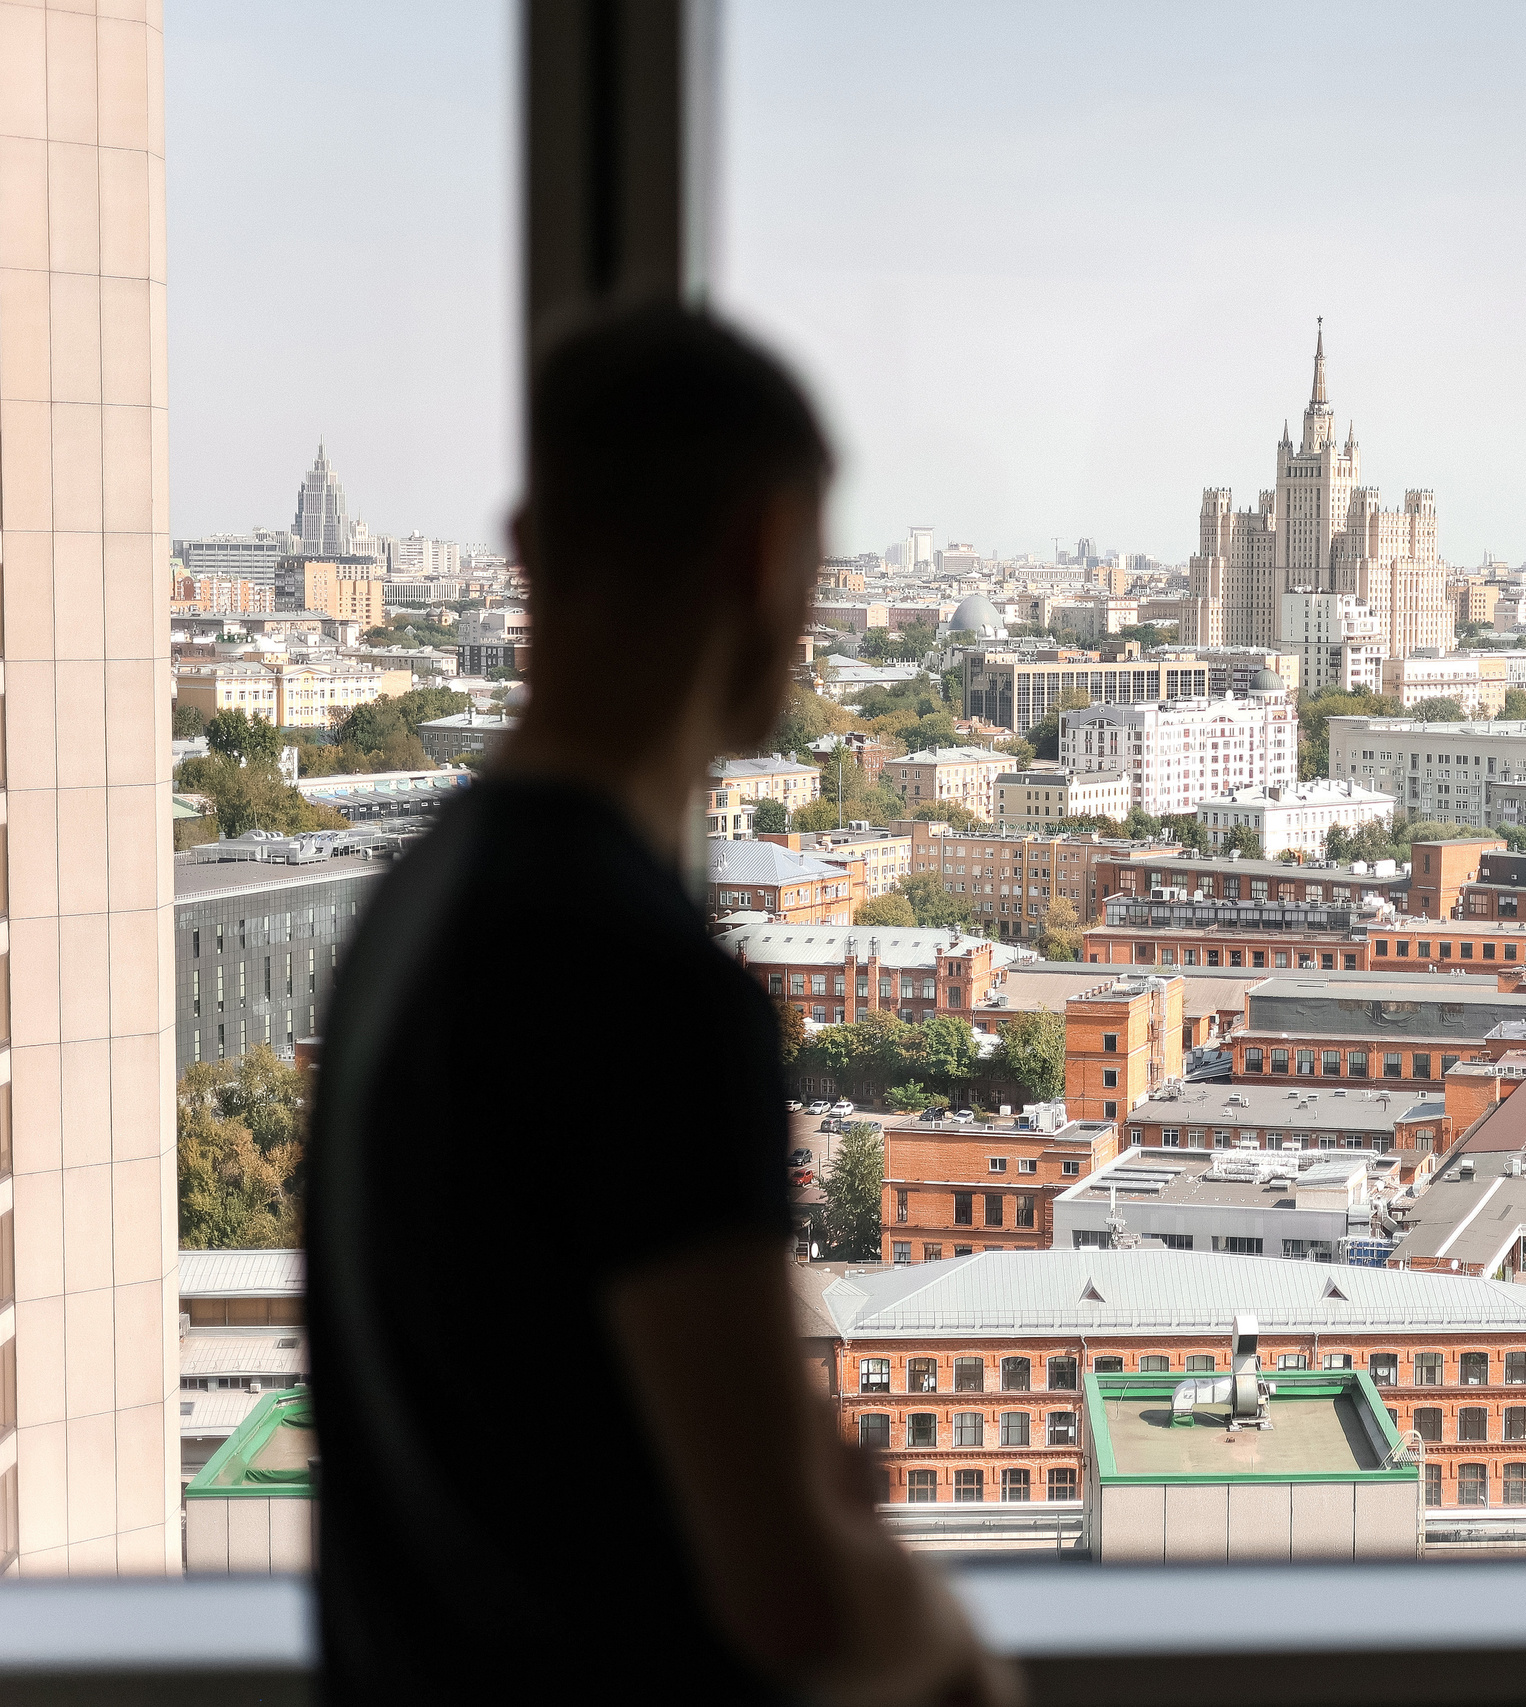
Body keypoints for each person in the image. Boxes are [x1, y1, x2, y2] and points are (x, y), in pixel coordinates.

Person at [306, 303, 1014, 1706]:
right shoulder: (643, 991)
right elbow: (796, 1589)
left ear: (526, 555)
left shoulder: (413, 911)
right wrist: (957, 1667)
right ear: (764, 558)